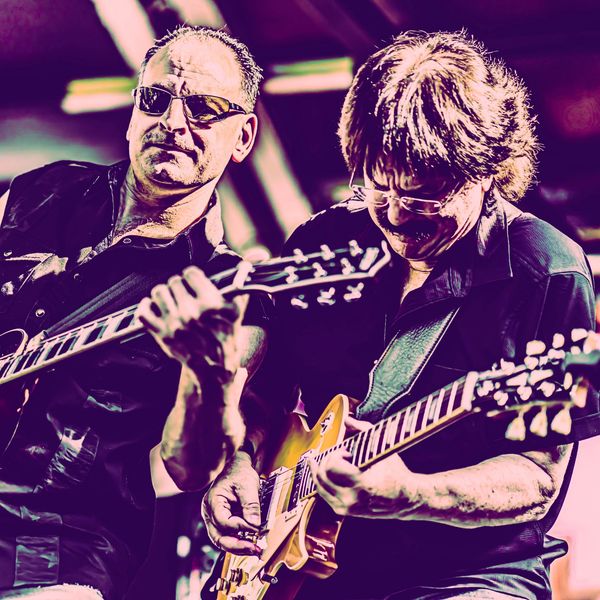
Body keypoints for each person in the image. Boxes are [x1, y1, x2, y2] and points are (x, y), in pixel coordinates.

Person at [200, 30, 600, 599]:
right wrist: (238, 463)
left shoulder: (548, 271)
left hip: (468, 572)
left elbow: (537, 475)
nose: (393, 215)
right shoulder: (324, 243)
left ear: (485, 169)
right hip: (305, 564)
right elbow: (264, 395)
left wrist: (411, 494)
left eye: (422, 195)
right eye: (378, 187)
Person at [0, 25, 269, 600]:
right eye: (156, 99)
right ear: (132, 112)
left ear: (243, 136)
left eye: (204, 109)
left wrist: (205, 373)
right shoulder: (39, 193)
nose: (173, 122)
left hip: (58, 544)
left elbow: (190, 470)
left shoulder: (232, 295)